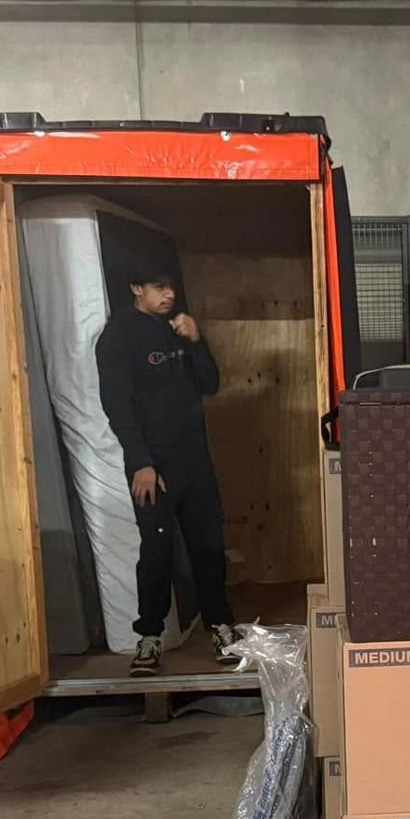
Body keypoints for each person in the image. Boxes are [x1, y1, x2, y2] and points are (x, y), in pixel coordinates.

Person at [94, 262, 238, 674]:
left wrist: (197, 342)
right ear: (136, 288)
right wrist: (140, 462)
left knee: (208, 546)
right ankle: (149, 636)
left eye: (171, 287)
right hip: (152, 466)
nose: (168, 294)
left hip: (195, 460)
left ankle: (220, 626)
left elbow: (210, 384)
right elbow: (116, 406)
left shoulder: (178, 329)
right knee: (156, 550)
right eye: (158, 287)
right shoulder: (118, 337)